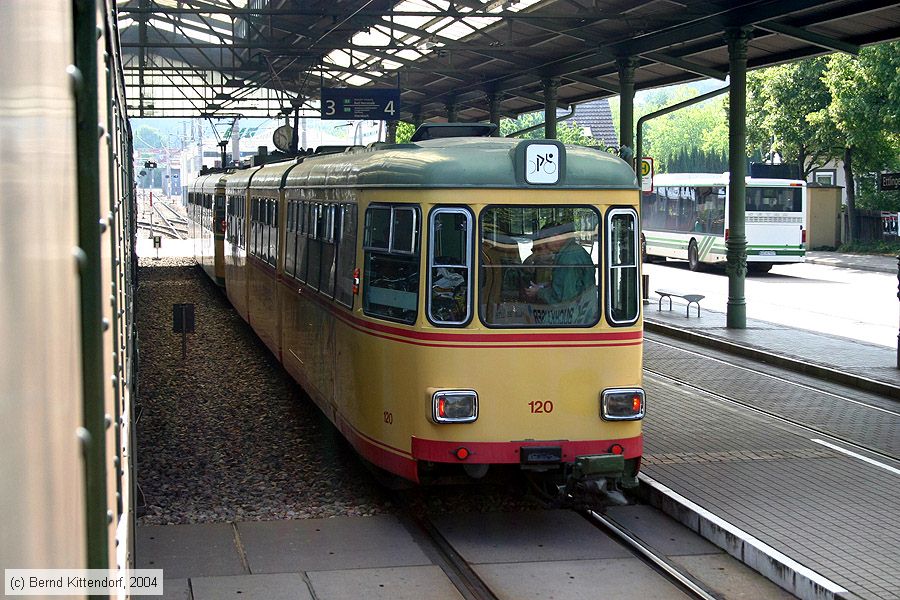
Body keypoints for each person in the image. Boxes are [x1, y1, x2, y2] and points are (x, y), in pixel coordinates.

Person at [522, 222, 595, 307]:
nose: (547, 247)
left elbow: (562, 298)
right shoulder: (573, 251)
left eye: (546, 242)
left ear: (556, 236)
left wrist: (539, 292)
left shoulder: (568, 258)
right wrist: (545, 286)